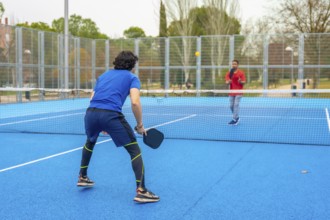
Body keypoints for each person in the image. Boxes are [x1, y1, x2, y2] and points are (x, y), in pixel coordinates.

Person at [77, 51, 160, 203]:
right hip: (110, 115)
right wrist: (140, 125)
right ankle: (141, 190)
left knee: (90, 141)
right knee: (134, 150)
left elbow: (92, 98)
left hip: (91, 113)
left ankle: (82, 176)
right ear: (132, 66)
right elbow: (135, 102)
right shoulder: (132, 77)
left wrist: (100, 122)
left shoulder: (103, 76)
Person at [225, 59, 246, 125]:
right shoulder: (229, 73)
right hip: (231, 92)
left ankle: (234, 119)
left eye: (235, 64)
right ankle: (237, 117)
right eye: (233, 64)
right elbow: (226, 82)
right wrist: (228, 82)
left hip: (239, 91)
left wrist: (240, 82)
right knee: (231, 106)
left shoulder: (241, 73)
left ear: (237, 65)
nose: (234, 65)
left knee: (236, 105)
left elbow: (244, 82)